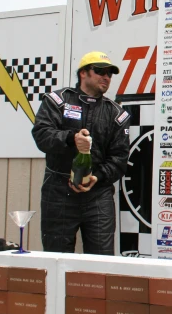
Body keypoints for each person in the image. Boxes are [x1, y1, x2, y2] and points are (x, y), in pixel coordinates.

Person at [31, 51, 130, 254]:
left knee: (101, 260)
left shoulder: (117, 114)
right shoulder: (57, 101)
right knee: (55, 257)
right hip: (58, 191)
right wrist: (71, 138)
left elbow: (120, 159)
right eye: (100, 71)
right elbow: (41, 135)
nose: (106, 77)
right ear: (83, 73)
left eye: (110, 74)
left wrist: (97, 177)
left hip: (98, 194)